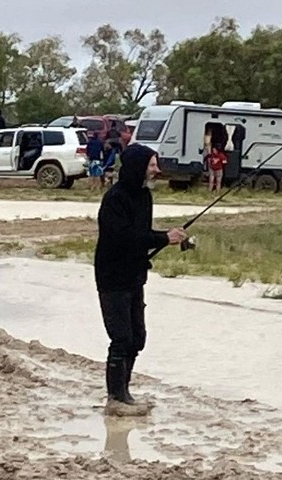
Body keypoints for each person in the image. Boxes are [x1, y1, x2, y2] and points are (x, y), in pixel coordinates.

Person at [94, 144, 187, 416]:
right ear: (137, 167)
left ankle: (125, 393)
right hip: (112, 276)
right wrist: (162, 238)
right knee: (121, 338)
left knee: (137, 337)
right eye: (152, 165)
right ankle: (116, 398)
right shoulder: (115, 198)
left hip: (135, 275)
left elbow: (140, 234)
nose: (157, 170)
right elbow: (121, 237)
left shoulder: (144, 196)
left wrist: (168, 236)